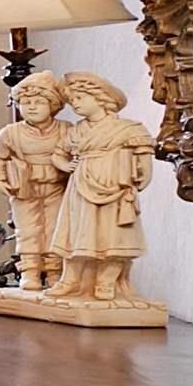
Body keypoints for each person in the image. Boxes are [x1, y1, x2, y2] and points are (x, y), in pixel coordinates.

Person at [44, 71, 154, 307]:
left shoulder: (129, 129)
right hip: (81, 186)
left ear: (101, 98)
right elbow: (58, 154)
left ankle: (106, 281)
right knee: (76, 235)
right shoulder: (76, 131)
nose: (75, 104)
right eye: (72, 100)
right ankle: (69, 280)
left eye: (80, 98)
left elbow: (144, 156)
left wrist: (143, 175)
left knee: (113, 235)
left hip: (116, 187)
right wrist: (66, 165)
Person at [0, 71, 70, 292]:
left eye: (39, 102)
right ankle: (30, 272)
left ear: (53, 104)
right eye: (25, 102)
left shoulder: (66, 130)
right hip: (24, 188)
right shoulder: (10, 133)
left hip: (57, 187)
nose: (31, 107)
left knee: (56, 229)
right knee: (28, 230)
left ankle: (54, 273)